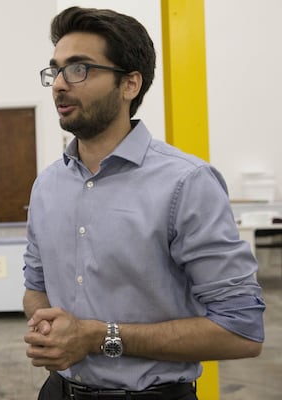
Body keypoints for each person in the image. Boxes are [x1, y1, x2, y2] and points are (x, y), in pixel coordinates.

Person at [23, 7, 265, 400]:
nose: (59, 85)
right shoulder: (47, 185)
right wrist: (48, 327)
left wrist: (100, 338)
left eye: (79, 69)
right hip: (57, 392)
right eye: (56, 70)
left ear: (129, 84)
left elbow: (241, 331)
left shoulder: (186, 183)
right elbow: (35, 287)